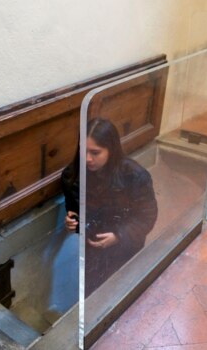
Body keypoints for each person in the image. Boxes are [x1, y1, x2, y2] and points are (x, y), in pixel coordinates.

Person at [61, 118, 158, 295]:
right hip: (93, 244)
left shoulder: (134, 176)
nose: (88, 158)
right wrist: (72, 222)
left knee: (122, 291)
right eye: (84, 151)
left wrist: (119, 236)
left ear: (111, 150)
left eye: (95, 153)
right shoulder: (71, 175)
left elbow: (147, 217)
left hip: (125, 245)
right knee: (92, 293)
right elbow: (75, 210)